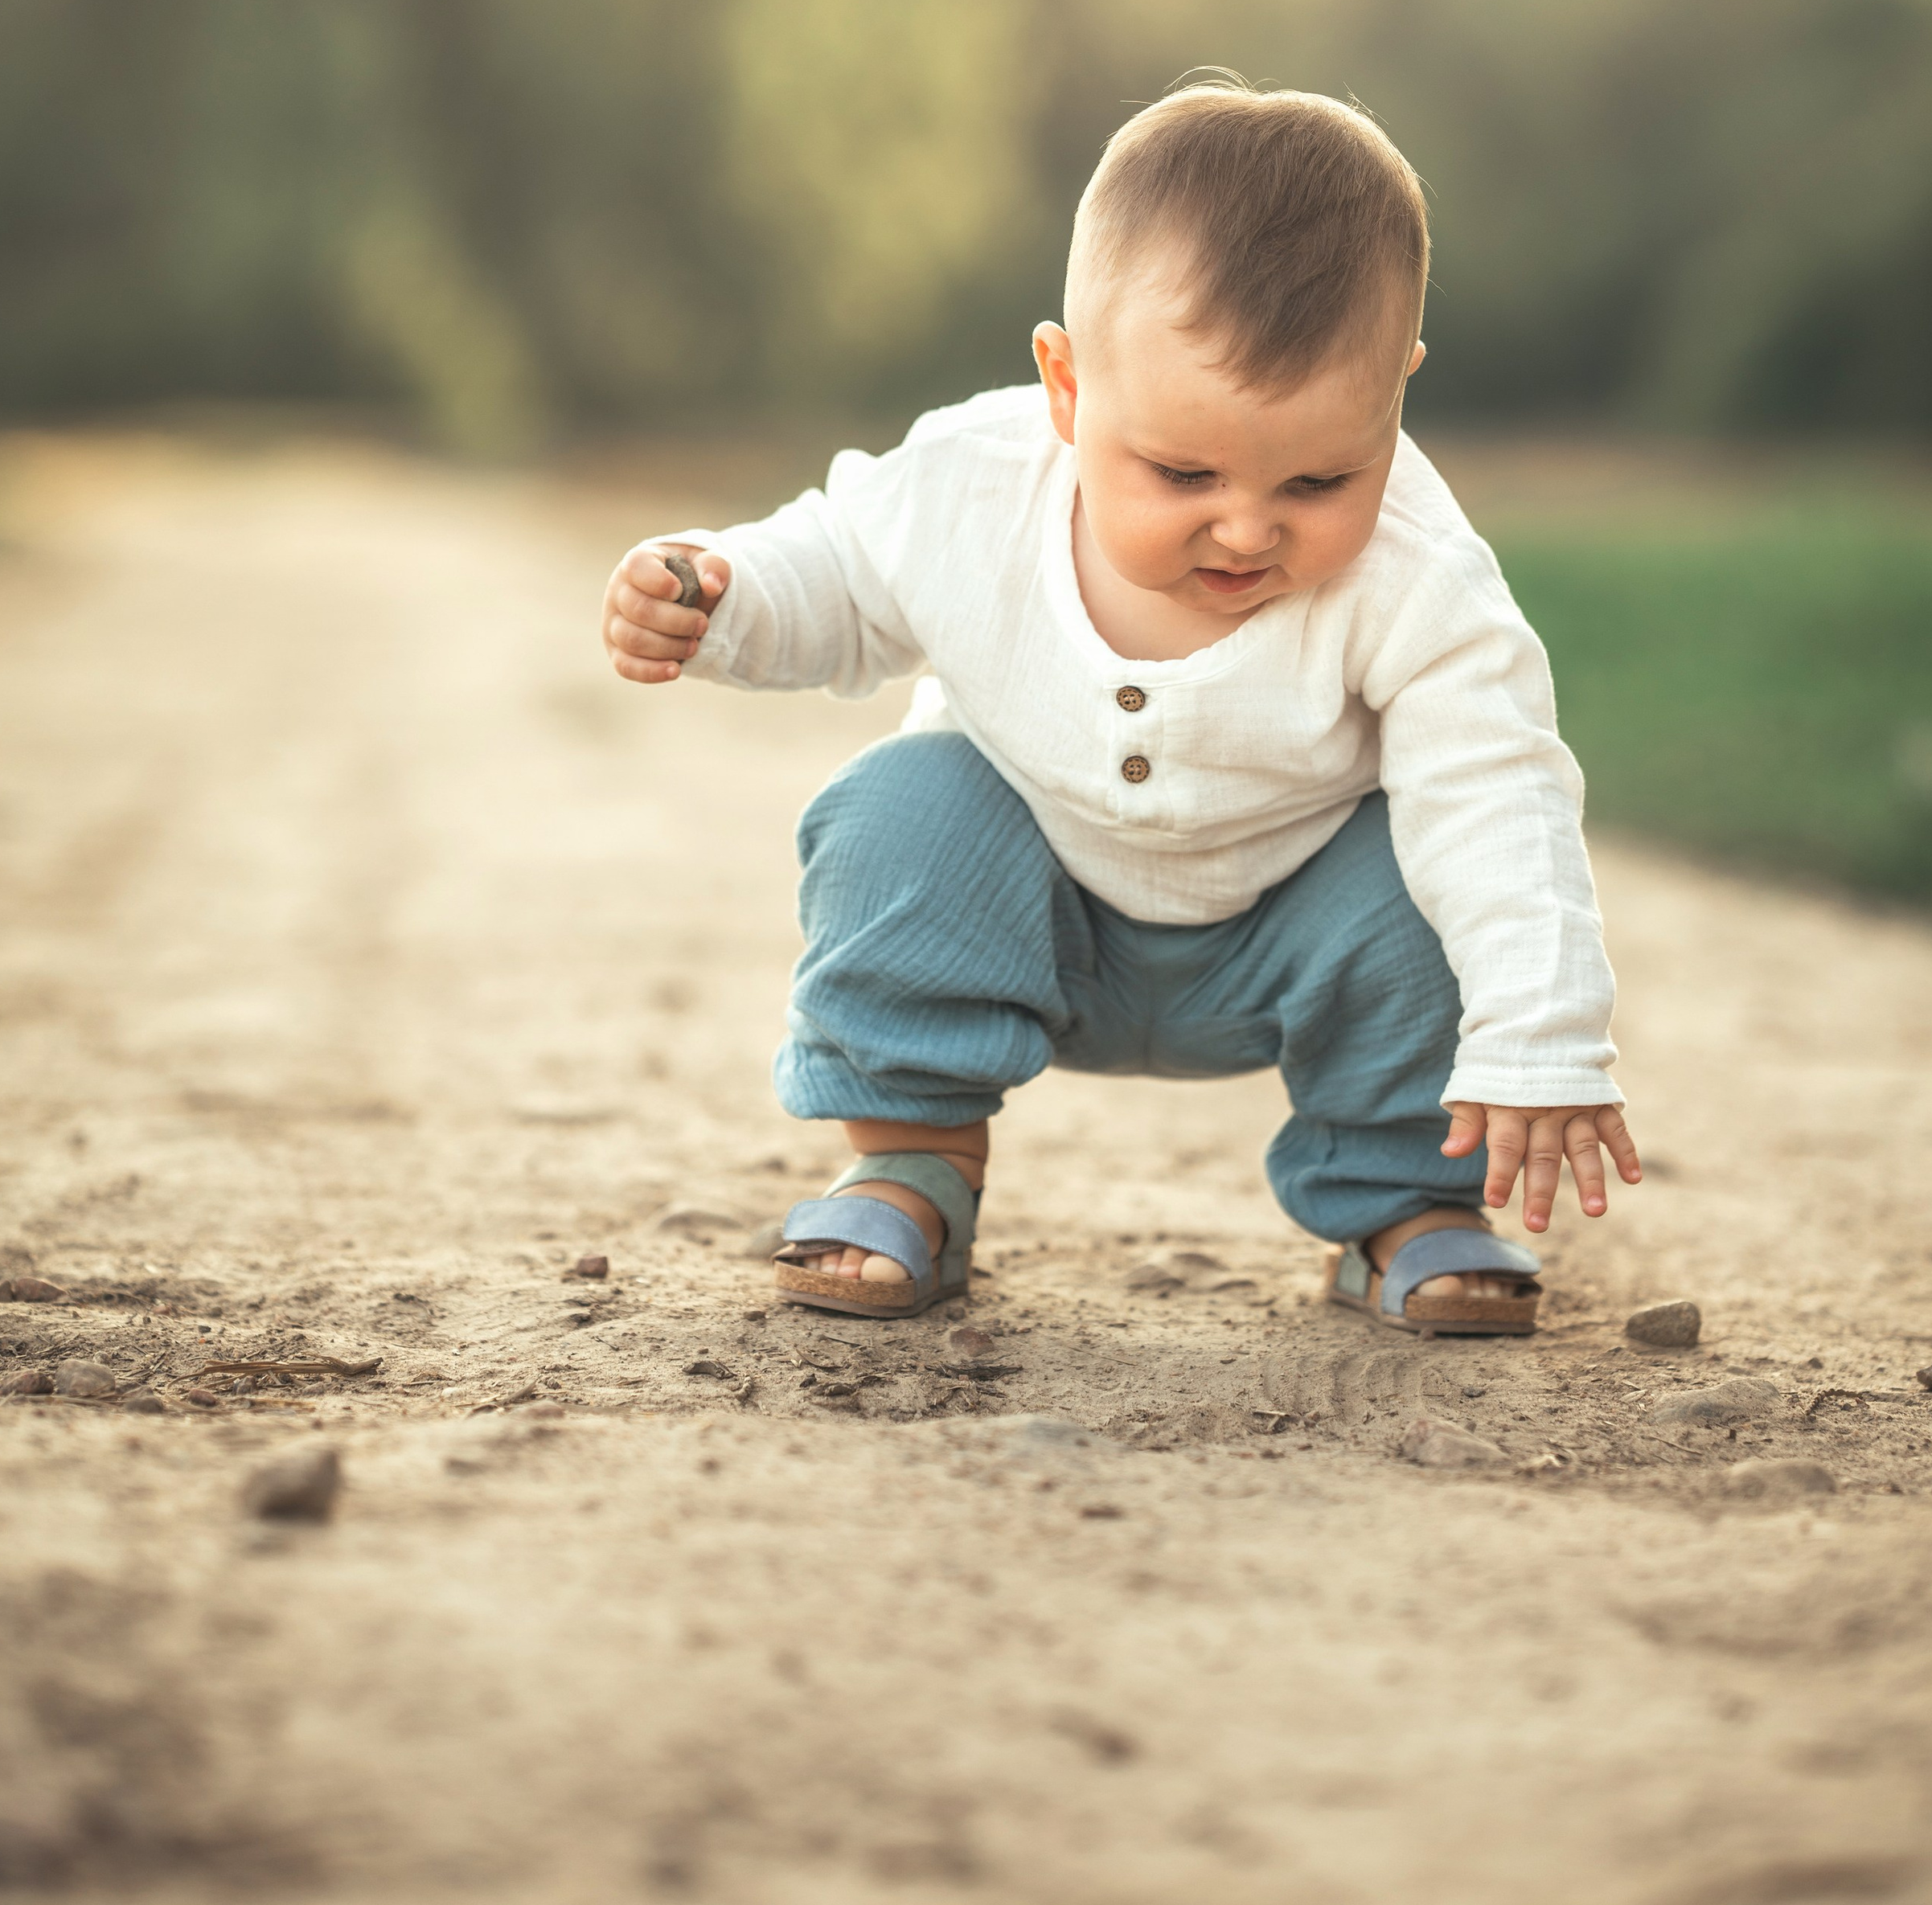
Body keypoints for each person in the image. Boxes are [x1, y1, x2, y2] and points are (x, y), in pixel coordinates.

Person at [600, 82, 1635, 1334]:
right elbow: (837, 566)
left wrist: (1543, 1038)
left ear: (1397, 393)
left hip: (1294, 931)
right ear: (1068, 387)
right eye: (1182, 471)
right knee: (898, 804)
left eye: (1320, 476)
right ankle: (915, 1166)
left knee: (1428, 872)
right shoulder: (973, 485)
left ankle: (1405, 1201)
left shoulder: (1421, 578)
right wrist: (721, 595)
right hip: (1028, 910)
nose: (1248, 526)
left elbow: (1501, 799)